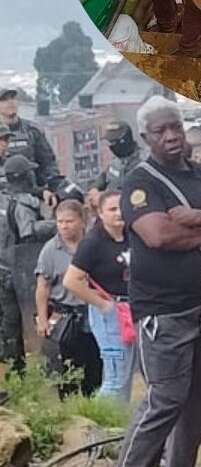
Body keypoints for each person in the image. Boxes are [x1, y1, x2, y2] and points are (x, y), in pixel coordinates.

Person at [113, 96, 201, 467]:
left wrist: (194, 217)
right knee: (165, 400)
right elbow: (158, 236)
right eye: (160, 131)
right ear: (146, 137)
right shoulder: (139, 182)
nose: (171, 136)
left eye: (175, 126)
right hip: (163, 313)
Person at [63, 190, 136, 402]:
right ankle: (99, 420)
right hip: (110, 314)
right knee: (116, 377)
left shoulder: (132, 235)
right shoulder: (93, 243)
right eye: (112, 209)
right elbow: (71, 280)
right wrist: (103, 305)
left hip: (132, 310)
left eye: (122, 207)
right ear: (100, 213)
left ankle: (119, 420)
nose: (118, 213)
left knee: (127, 375)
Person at [35, 201, 102, 398]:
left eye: (69, 221)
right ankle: (69, 406)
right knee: (65, 369)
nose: (64, 226)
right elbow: (42, 287)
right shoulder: (50, 249)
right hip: (64, 315)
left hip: (93, 313)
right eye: (60, 222)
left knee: (94, 366)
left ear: (82, 221)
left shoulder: (94, 244)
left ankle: (92, 405)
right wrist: (42, 319)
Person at [3, 154, 56, 368]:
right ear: (26, 177)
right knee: (29, 315)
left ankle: (15, 363)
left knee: (11, 319)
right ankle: (39, 361)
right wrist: (55, 224)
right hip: (22, 267)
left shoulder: (6, 199)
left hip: (7, 265)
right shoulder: (22, 203)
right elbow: (27, 231)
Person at [0, 88, 63, 205]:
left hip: (34, 194)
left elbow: (48, 162)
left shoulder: (32, 130)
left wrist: (53, 187)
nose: (10, 102)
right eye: (4, 100)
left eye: (12, 98)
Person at [92, 121, 145, 198]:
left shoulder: (145, 160)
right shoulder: (115, 163)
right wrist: (94, 188)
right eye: (109, 142)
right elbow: (103, 178)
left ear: (124, 141)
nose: (111, 145)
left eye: (113, 142)